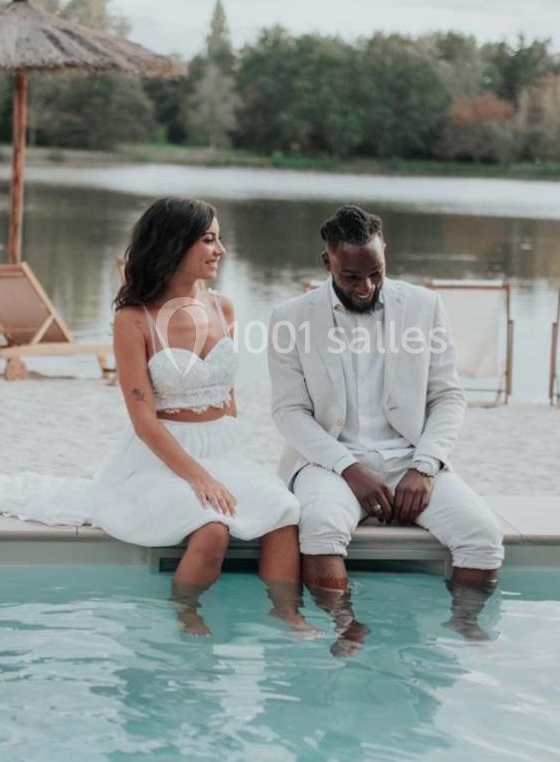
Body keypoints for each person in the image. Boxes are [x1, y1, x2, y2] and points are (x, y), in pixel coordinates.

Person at [268, 204, 504, 654]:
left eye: (376, 273)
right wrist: (348, 467)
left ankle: (462, 624)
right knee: (319, 527)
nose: (367, 287)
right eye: (351, 277)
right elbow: (289, 412)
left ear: (385, 255)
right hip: (329, 460)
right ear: (327, 263)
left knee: (482, 536)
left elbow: (449, 397)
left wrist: (426, 464)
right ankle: (344, 623)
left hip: (409, 456)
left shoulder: (425, 306)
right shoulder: (289, 318)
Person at [98, 196, 307, 636]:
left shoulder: (222, 308)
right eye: (209, 240)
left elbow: (227, 392)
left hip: (225, 448)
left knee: (284, 510)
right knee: (212, 529)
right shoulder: (133, 320)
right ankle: (186, 610)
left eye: (219, 239)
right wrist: (198, 476)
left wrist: (234, 456)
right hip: (161, 455)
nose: (221, 249)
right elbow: (143, 421)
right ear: (175, 245)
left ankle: (284, 611)